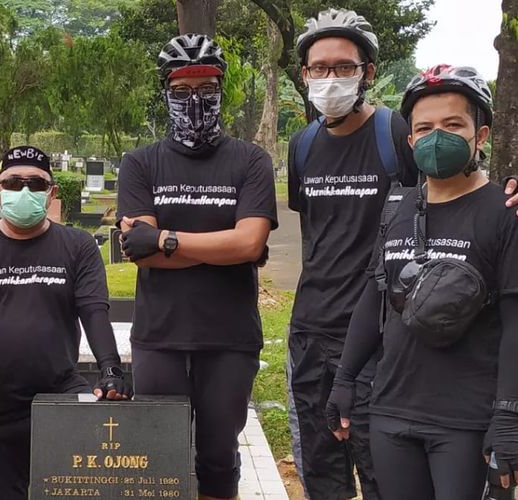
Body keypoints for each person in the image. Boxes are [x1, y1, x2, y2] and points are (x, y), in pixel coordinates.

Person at [325, 64, 518, 500]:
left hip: (467, 420)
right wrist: (345, 381)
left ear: (480, 135)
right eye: (425, 128)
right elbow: (373, 298)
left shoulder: (504, 212)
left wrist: (508, 416)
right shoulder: (398, 208)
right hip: (391, 411)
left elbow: (514, 321)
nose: (437, 137)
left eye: (453, 125)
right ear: (411, 140)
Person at [117, 34, 277, 500]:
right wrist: (218, 244)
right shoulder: (140, 163)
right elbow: (139, 250)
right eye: (182, 89)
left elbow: (249, 243)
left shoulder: (250, 160)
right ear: (165, 92)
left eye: (207, 88)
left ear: (222, 89)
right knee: (158, 457)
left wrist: (167, 238)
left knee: (217, 458)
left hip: (229, 338)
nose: (195, 100)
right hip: (159, 337)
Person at [0, 145, 130, 500]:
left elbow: (93, 309)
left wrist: (111, 369)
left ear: (51, 192)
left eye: (35, 183)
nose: (24, 191)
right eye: (13, 182)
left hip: (55, 400)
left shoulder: (77, 246)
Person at [286, 10, 420, 499]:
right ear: (303, 75)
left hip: (381, 336)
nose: (330, 78)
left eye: (344, 67)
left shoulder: (396, 134)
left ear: (366, 71)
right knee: (322, 473)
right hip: (310, 332)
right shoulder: (301, 145)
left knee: (383, 469)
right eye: (319, 68)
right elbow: (315, 233)